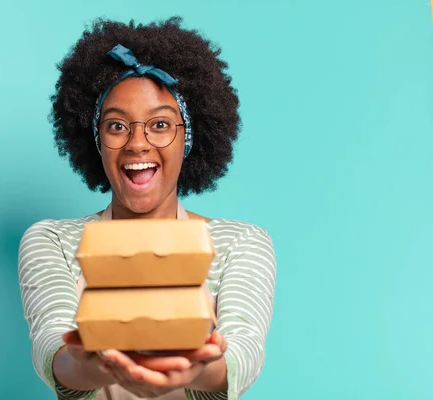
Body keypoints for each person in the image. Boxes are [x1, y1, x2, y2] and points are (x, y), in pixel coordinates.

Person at [18, 16, 277, 400]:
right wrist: (94, 365)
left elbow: (243, 355)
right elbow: (52, 351)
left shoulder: (240, 243)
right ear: (97, 140)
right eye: (117, 126)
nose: (137, 144)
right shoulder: (52, 240)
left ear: (189, 137)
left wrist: (196, 369)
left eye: (159, 125)